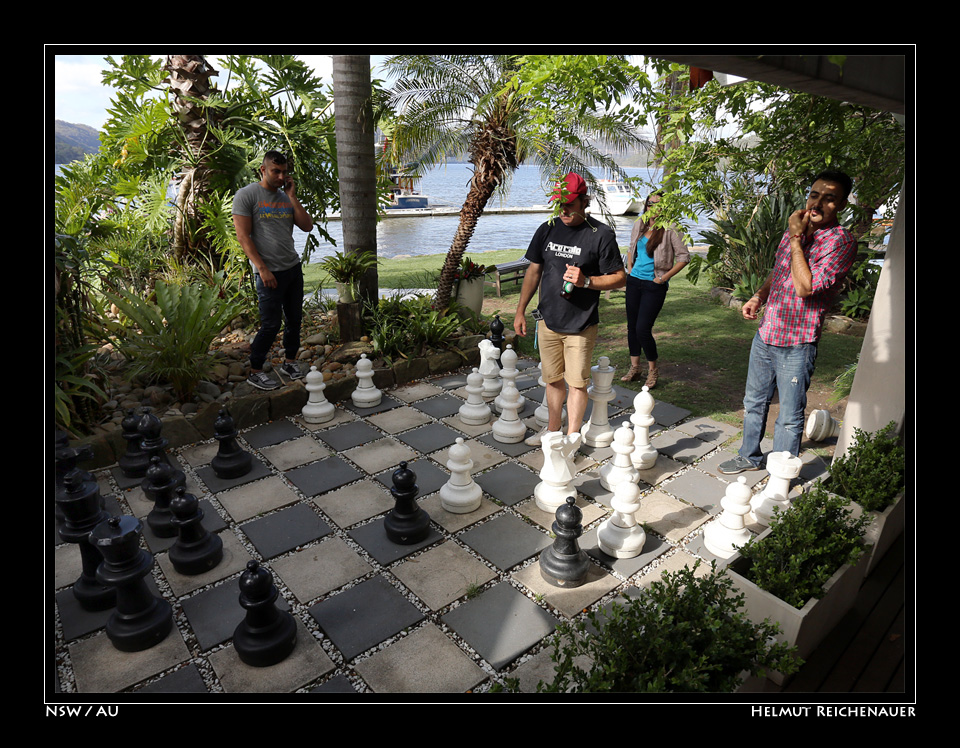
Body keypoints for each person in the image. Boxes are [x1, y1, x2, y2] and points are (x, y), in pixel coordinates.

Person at [719, 170, 858, 474]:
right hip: (767, 333)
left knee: (790, 414)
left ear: (842, 205)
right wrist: (759, 295)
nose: (818, 203)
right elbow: (780, 270)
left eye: (829, 198)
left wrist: (797, 237)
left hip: (798, 342)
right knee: (754, 401)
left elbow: (805, 287)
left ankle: (779, 474)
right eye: (814, 195)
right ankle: (749, 456)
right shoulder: (796, 231)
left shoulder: (841, 241)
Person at [514, 173, 627, 446]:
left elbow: (620, 277)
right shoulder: (548, 228)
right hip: (548, 321)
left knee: (576, 383)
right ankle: (553, 432)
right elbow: (534, 271)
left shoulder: (600, 234)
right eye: (559, 204)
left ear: (584, 201)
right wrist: (520, 311)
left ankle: (572, 438)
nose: (564, 210)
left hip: (581, 324)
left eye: (570, 204)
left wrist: (586, 281)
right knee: (552, 380)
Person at [232, 151, 315, 391]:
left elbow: (307, 225)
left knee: (294, 320)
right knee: (270, 324)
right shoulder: (247, 195)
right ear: (263, 170)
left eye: (284, 172)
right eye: (275, 171)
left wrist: (291, 196)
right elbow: (243, 236)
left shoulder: (285, 197)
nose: (280, 176)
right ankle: (255, 371)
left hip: (292, 267)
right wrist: (262, 269)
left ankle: (289, 363)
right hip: (268, 272)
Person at [621, 191, 690, 388]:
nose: (654, 208)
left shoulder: (671, 228)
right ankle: (635, 367)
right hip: (634, 282)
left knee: (643, 328)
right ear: (646, 205)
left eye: (659, 205)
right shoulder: (639, 224)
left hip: (654, 285)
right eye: (650, 204)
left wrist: (663, 278)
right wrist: (631, 269)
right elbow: (630, 248)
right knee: (632, 327)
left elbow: (683, 257)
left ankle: (653, 370)